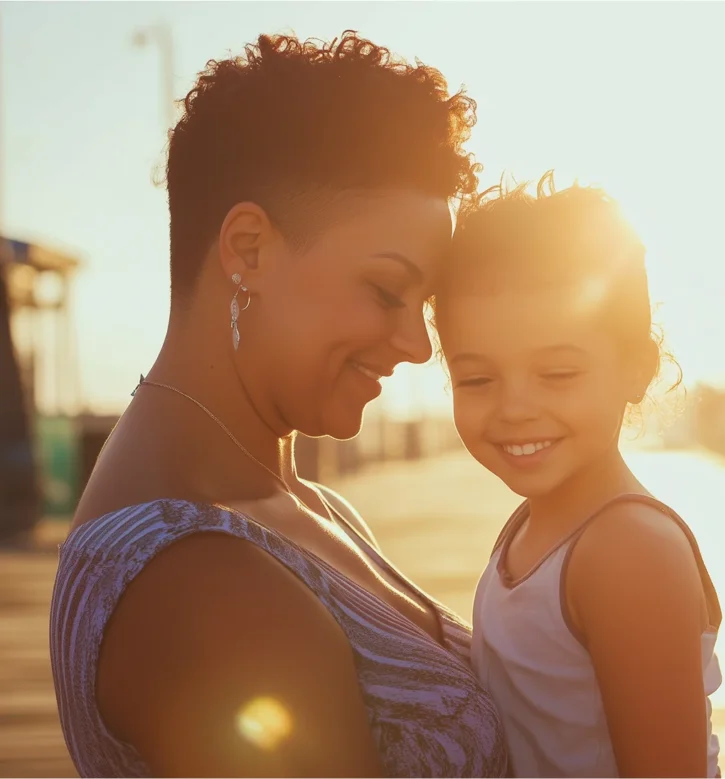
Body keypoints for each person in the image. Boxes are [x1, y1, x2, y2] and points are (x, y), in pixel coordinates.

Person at [50, 32, 509, 778]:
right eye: (388, 291)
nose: (418, 346)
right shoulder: (198, 588)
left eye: (423, 302)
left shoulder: (297, 501)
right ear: (249, 249)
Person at [431, 173, 724, 778]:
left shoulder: (627, 551)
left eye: (558, 374)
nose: (515, 408)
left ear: (636, 370)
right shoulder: (529, 531)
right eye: (477, 380)